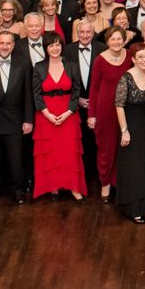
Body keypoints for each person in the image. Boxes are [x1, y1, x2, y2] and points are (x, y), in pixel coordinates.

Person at [32, 31, 87, 199]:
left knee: (69, 152)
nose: (55, 48)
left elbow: (76, 92)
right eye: (51, 45)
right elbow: (36, 94)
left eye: (57, 45)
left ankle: (73, 187)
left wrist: (69, 112)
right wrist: (47, 114)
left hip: (68, 114)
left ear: (62, 47)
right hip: (46, 115)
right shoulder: (39, 67)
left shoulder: (72, 66)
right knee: (50, 153)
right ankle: (53, 186)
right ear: (46, 48)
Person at [113, 41, 145, 222]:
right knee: (135, 168)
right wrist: (124, 130)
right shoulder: (126, 78)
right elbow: (119, 105)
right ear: (133, 59)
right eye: (140, 57)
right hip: (131, 127)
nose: (144, 60)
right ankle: (134, 208)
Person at [87, 26, 132, 199]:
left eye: (119, 38)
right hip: (105, 109)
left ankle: (119, 182)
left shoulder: (130, 56)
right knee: (106, 148)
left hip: (126, 109)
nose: (116, 42)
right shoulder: (100, 60)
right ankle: (105, 183)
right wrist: (92, 115)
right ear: (107, 41)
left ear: (124, 40)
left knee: (123, 148)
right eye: (113, 39)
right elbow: (94, 89)